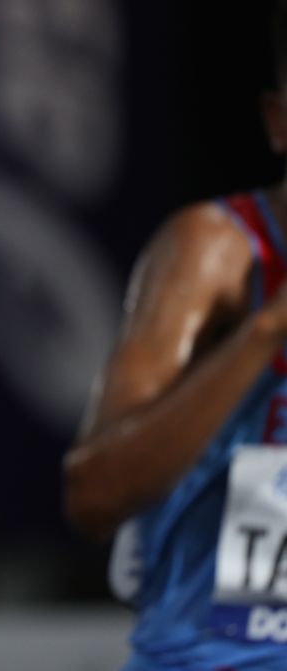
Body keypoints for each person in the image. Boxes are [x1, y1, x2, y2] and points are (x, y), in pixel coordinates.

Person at [63, 4, 287, 668]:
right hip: (224, 656)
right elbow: (93, 494)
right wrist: (266, 329)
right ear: (279, 122)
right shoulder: (216, 251)